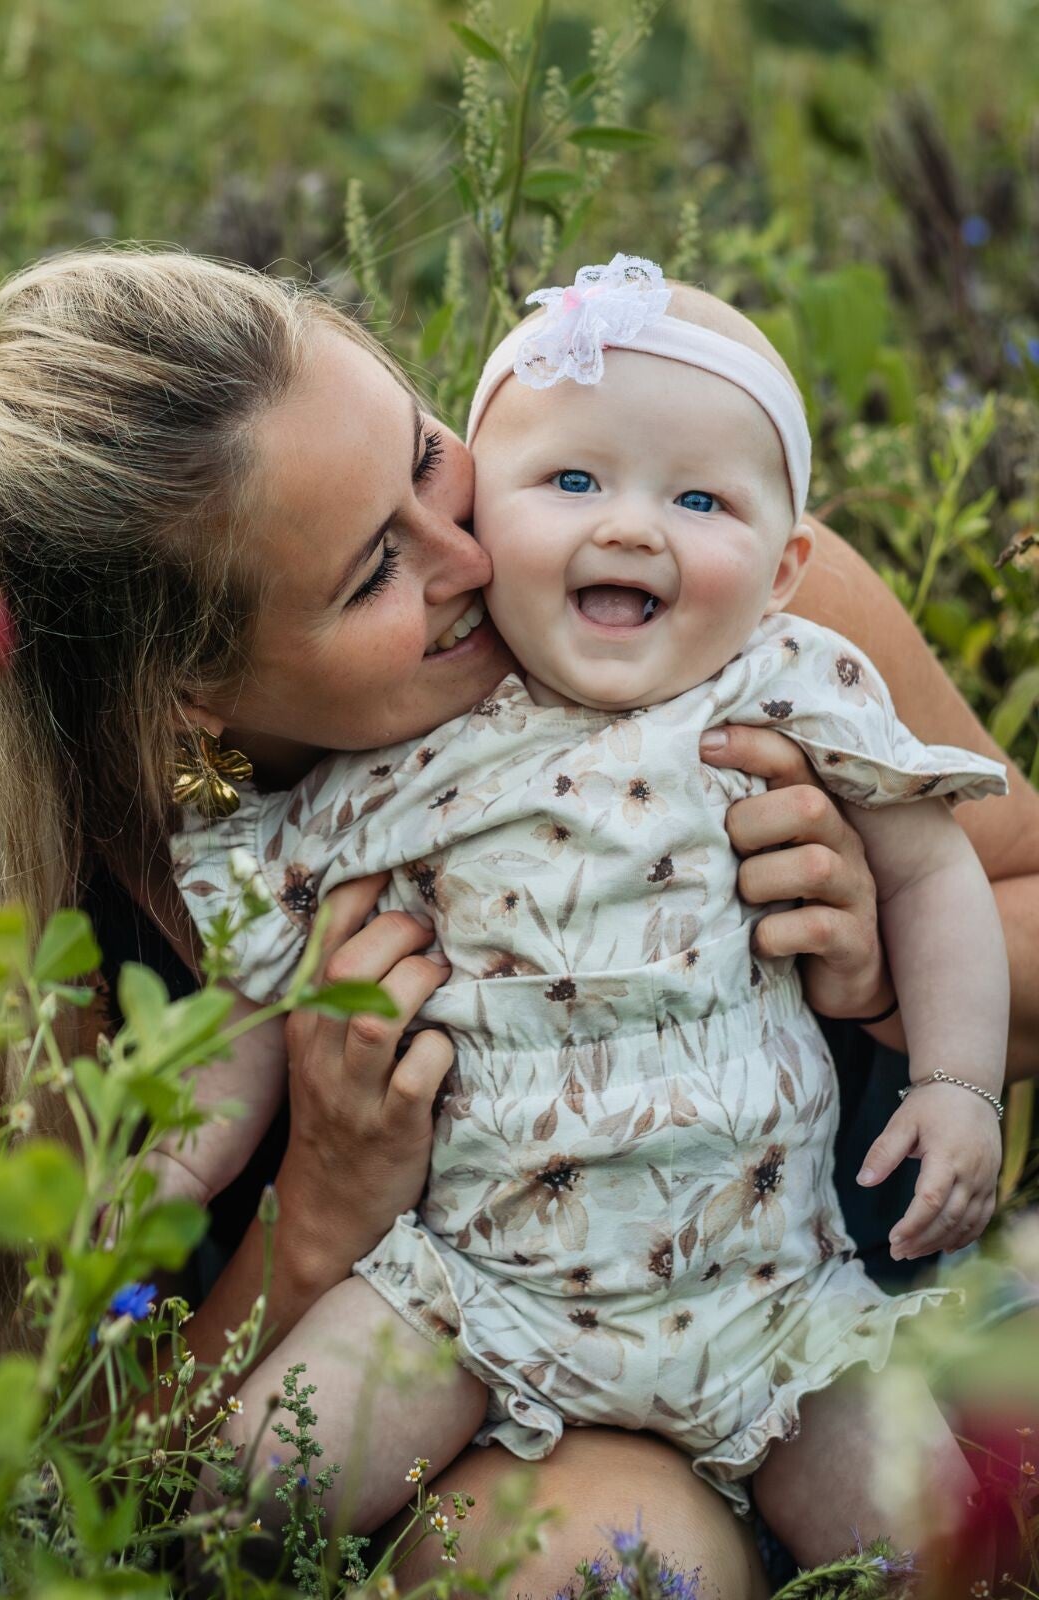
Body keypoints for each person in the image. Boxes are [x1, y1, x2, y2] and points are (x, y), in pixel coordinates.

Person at [0, 246, 1039, 1594]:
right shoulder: (40, 918)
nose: (471, 553)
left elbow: (1010, 893)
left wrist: (875, 977)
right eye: (374, 573)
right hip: (484, 1364)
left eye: (426, 455)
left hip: (806, 1306)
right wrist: (317, 1213)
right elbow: (66, 1449)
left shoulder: (726, 585)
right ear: (188, 694)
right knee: (601, 1571)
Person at [164, 255, 1007, 1567]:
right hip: (476, 1290)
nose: (631, 528)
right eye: (570, 482)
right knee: (233, 1503)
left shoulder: (783, 685)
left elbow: (937, 873)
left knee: (946, 1555)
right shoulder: (396, 760)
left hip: (774, 1306)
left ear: (785, 566)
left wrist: (952, 1073)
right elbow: (254, 992)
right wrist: (167, 1169)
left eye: (699, 500)